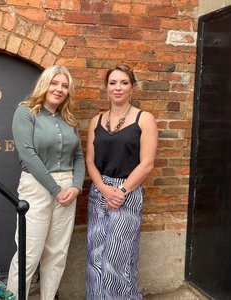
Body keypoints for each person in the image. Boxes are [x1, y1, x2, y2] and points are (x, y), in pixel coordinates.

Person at [7, 65, 85, 300]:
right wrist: (55, 189)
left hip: (68, 189)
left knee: (57, 254)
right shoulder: (25, 112)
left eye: (64, 86)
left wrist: (76, 186)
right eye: (55, 83)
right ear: (45, 84)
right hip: (37, 187)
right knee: (29, 254)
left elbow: (79, 156)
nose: (59, 89)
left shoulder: (68, 119)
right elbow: (28, 155)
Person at [85, 64, 158, 299]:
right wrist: (105, 189)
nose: (118, 87)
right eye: (113, 82)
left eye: (124, 82)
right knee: (95, 258)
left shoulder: (144, 119)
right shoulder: (96, 120)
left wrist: (121, 191)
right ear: (106, 88)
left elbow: (147, 163)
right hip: (99, 192)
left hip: (128, 192)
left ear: (132, 88)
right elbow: (89, 160)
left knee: (118, 259)